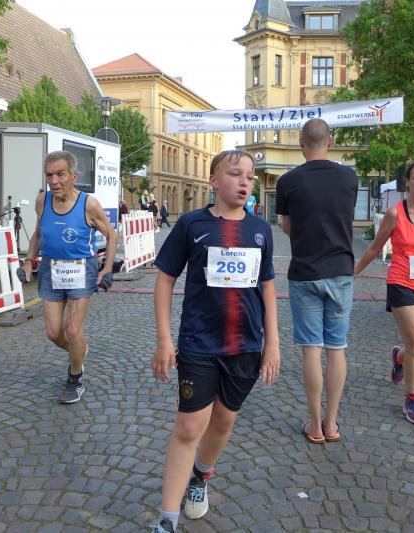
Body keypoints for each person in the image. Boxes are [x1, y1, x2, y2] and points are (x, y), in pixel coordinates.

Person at [150, 150, 279, 533]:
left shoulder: (260, 230)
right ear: (213, 180)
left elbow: (267, 287)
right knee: (190, 427)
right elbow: (165, 280)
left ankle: (201, 476)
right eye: (235, 174)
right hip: (198, 344)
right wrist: (163, 339)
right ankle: (166, 521)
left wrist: (273, 343)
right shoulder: (191, 224)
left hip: (246, 346)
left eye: (250, 177)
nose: (244, 182)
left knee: (223, 421)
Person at [276, 118, 358, 443]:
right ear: (331, 142)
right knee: (336, 348)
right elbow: (343, 218)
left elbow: (287, 226)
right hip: (340, 271)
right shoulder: (349, 177)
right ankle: (331, 423)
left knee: (311, 350)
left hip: (304, 273)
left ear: (301, 143)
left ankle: (314, 424)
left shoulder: (287, 181)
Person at [354, 161, 414, 425]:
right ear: (407, 182)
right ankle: (413, 399)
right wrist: (354, 272)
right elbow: (375, 247)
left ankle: (399, 358)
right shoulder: (395, 213)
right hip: (401, 281)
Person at [17, 151, 117, 404]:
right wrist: (29, 260)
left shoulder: (88, 204)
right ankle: (79, 350)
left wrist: (106, 269)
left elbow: (111, 235)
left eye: (60, 174)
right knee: (53, 333)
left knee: (72, 330)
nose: (54, 181)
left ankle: (75, 376)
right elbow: (38, 234)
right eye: (49, 175)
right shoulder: (42, 201)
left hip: (81, 269)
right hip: (51, 269)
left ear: (74, 175)